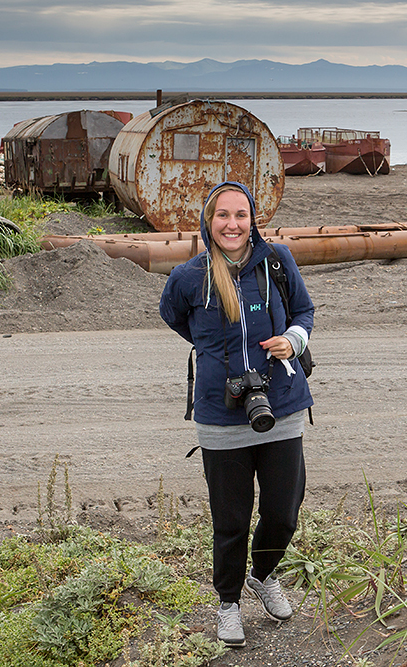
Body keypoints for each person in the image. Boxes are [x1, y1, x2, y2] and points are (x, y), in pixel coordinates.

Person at [159, 181, 314, 648]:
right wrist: (216, 352)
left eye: (241, 215)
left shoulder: (277, 261)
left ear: (253, 219)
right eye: (222, 216)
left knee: (284, 512)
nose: (232, 224)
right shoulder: (189, 277)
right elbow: (173, 317)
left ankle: (262, 575)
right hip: (221, 415)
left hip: (280, 403)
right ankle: (228, 603)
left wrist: (293, 339)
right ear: (209, 222)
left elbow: (304, 311)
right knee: (230, 521)